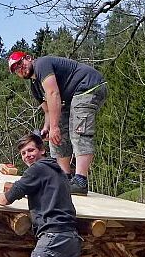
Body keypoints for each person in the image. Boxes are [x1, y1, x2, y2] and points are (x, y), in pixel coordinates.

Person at [7, 51, 108, 196]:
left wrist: (54, 127)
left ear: (28, 58)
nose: (19, 69)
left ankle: (80, 180)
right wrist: (47, 128)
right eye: (15, 69)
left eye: (20, 64)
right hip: (71, 98)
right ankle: (65, 178)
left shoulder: (42, 64)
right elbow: (48, 110)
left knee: (78, 129)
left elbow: (53, 93)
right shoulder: (35, 87)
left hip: (89, 86)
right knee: (58, 132)